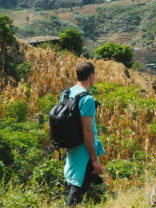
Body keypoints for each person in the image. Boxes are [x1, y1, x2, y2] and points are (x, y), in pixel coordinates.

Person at [63, 61, 105, 205]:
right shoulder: (86, 99)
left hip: (70, 147)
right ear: (91, 76)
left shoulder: (66, 93)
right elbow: (87, 131)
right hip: (83, 150)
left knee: (73, 181)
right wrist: (94, 159)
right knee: (78, 187)